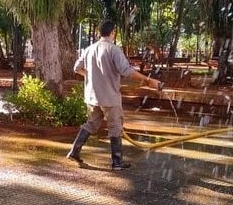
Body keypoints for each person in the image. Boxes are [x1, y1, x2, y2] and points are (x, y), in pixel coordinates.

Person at [67, 20, 162, 170]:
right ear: (113, 32)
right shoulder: (113, 49)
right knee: (115, 127)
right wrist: (148, 79)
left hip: (92, 96)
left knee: (91, 124)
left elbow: (76, 68)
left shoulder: (89, 49)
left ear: (100, 32)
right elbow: (127, 71)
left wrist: (90, 76)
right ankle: (117, 162)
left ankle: (74, 151)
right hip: (110, 97)